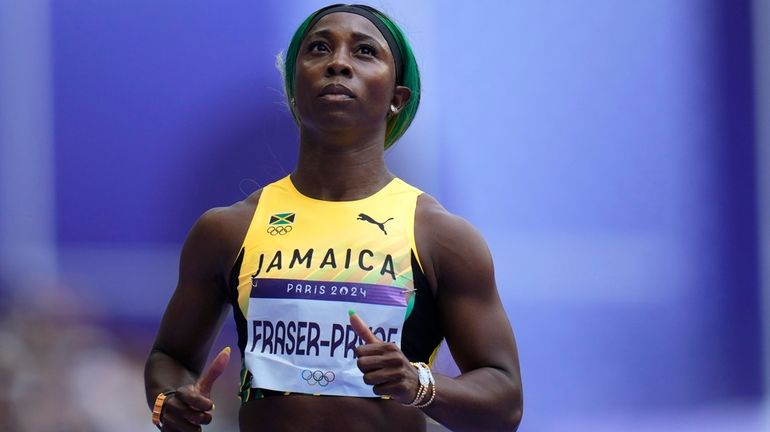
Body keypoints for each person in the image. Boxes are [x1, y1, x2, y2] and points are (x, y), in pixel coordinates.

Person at [144, 4, 523, 431]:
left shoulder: (441, 237)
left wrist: (419, 383)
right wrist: (167, 400)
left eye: (364, 52)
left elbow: (504, 400)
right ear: (293, 86)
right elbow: (169, 358)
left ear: (397, 98)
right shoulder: (228, 230)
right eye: (319, 48)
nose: (338, 63)